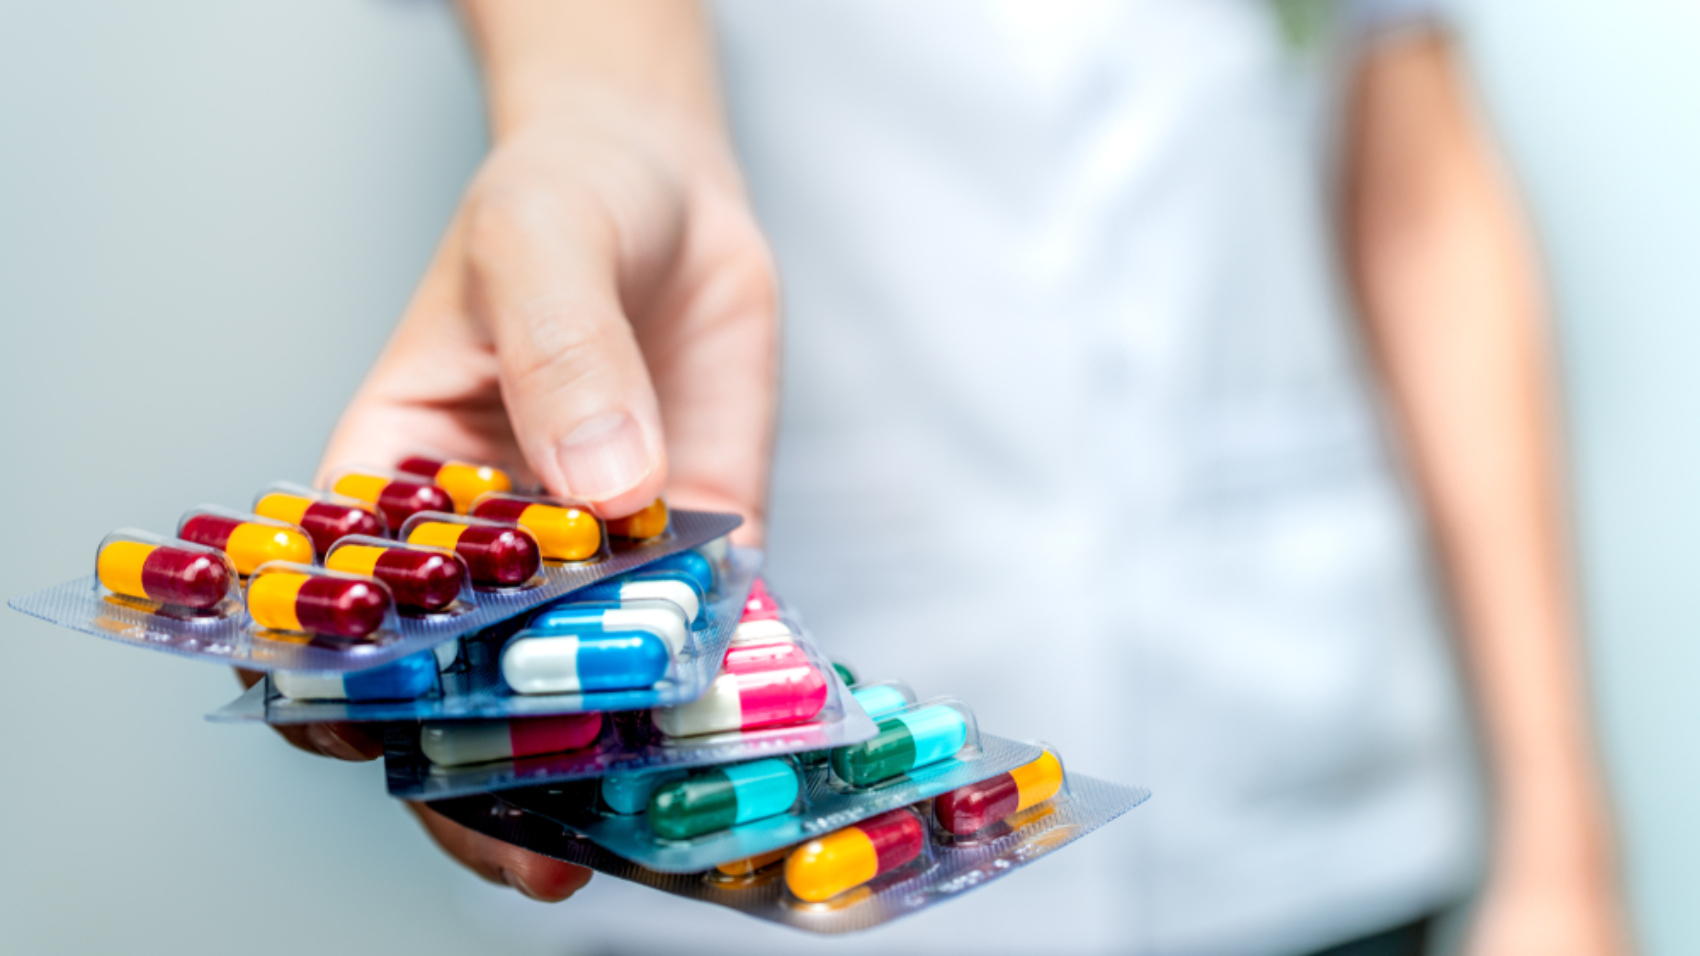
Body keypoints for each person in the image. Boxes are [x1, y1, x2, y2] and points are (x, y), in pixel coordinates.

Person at [278, 2, 1631, 953]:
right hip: (765, 829)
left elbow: (1422, 187)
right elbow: (595, 46)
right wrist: (607, 143)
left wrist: (1565, 855)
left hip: (1310, 794)